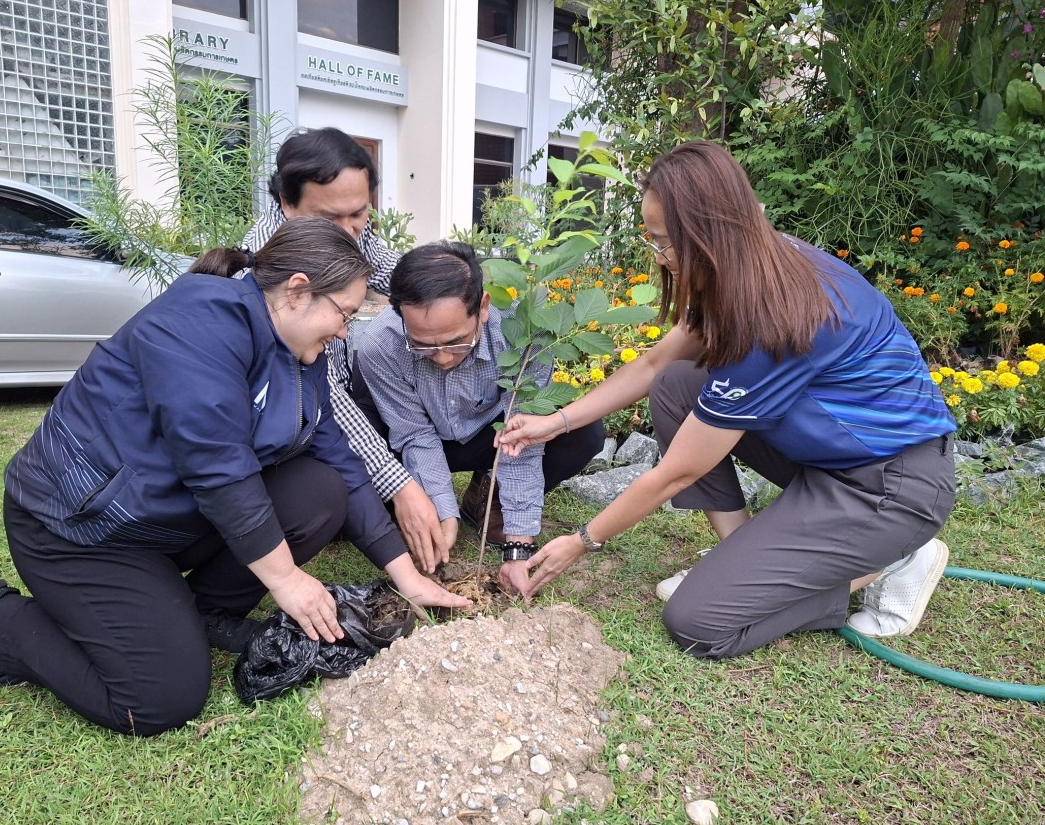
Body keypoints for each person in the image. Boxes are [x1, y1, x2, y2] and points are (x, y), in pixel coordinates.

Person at [0, 218, 470, 736]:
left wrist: (406, 577)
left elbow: (339, 457)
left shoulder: (300, 352)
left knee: (319, 491)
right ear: (296, 292)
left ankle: (202, 614)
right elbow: (218, 467)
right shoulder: (199, 324)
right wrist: (285, 580)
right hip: (81, 529)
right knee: (160, 700)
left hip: (168, 520)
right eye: (344, 314)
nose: (344, 331)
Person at [499, 141, 957, 657]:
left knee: (698, 620)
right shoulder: (747, 265)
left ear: (708, 234)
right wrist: (554, 422)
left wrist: (582, 540)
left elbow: (677, 471)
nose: (662, 258)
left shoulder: (772, 319)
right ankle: (739, 557)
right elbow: (655, 365)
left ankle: (890, 563)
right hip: (837, 461)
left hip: (890, 487)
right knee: (677, 384)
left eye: (665, 243)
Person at [244, 127, 444, 572]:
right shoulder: (264, 273)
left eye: (359, 213)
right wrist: (401, 487)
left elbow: (402, 276)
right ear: (286, 204)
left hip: (328, 402)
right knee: (325, 492)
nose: (350, 231)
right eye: (331, 219)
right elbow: (322, 395)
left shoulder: (354, 234)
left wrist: (456, 288)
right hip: (285, 426)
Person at [351, 241, 604, 593]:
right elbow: (414, 436)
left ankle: (488, 499)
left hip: (491, 435)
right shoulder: (380, 343)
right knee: (359, 473)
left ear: (482, 307)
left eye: (456, 342)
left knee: (583, 433)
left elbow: (522, 439)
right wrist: (442, 510)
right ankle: (413, 511)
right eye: (423, 345)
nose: (440, 357)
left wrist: (518, 548)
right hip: (415, 439)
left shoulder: (526, 336)